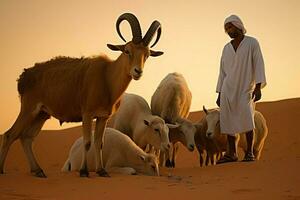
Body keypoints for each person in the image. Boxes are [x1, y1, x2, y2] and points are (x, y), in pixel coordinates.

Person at [216, 14, 266, 163]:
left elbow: (259, 64)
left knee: (247, 118)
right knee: (228, 120)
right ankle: (232, 153)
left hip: (246, 87)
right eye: (226, 29)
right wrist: (219, 93)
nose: (229, 30)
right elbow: (222, 71)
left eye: (230, 26)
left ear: (238, 25)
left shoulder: (252, 43)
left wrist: (258, 87)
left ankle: (249, 152)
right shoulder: (226, 48)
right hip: (227, 89)